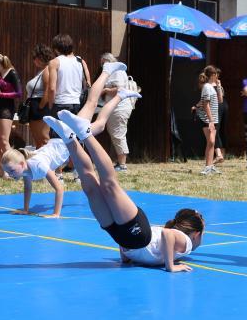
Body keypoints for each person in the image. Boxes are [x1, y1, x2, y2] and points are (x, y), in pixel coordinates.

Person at [43, 110, 203, 273]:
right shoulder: (187, 244)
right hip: (139, 235)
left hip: (123, 238)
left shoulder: (177, 248)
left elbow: (149, 249)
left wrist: (126, 255)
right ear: (196, 234)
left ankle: (69, 139)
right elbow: (168, 235)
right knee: (109, 186)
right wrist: (171, 266)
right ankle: (86, 133)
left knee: (90, 189)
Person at [1, 62, 137, 215]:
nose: (10, 174)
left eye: (11, 170)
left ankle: (111, 81)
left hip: (66, 140)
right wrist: (25, 209)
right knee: (93, 110)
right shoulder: (25, 170)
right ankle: (118, 91)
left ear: (21, 163)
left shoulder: (37, 165)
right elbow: (28, 187)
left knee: (97, 118)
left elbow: (59, 188)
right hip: (60, 137)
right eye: (8, 171)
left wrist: (56, 214)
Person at [99, 52, 137, 172]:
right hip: (114, 107)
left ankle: (122, 164)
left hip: (119, 107)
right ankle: (120, 162)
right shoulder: (112, 72)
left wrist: (105, 90)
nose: (102, 65)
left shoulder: (118, 71)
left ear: (109, 61)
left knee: (118, 133)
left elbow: (120, 89)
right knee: (116, 133)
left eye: (103, 63)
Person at [0, 53, 22, 178]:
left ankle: (15, 169)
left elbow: (18, 93)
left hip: (7, 109)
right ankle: (2, 171)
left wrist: (1, 94)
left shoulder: (12, 73)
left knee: (3, 140)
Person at [44, 34, 91, 117]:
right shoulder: (81, 61)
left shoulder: (54, 62)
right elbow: (88, 84)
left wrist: (50, 106)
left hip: (60, 103)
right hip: (78, 104)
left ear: (56, 49)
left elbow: (52, 88)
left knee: (59, 126)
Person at [23, 44, 55, 148]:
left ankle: (50, 158)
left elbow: (48, 90)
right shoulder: (41, 71)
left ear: (40, 57)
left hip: (40, 107)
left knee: (44, 139)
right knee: (38, 140)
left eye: (35, 58)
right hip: (35, 107)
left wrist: (40, 107)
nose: (34, 61)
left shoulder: (46, 70)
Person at [196, 65, 221, 175]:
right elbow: (206, 105)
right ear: (213, 75)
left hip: (213, 118)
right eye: (216, 74)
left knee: (212, 142)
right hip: (207, 119)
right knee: (211, 141)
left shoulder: (211, 87)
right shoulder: (206, 87)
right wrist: (210, 120)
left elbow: (220, 100)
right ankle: (207, 167)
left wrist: (218, 86)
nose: (217, 77)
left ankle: (210, 166)